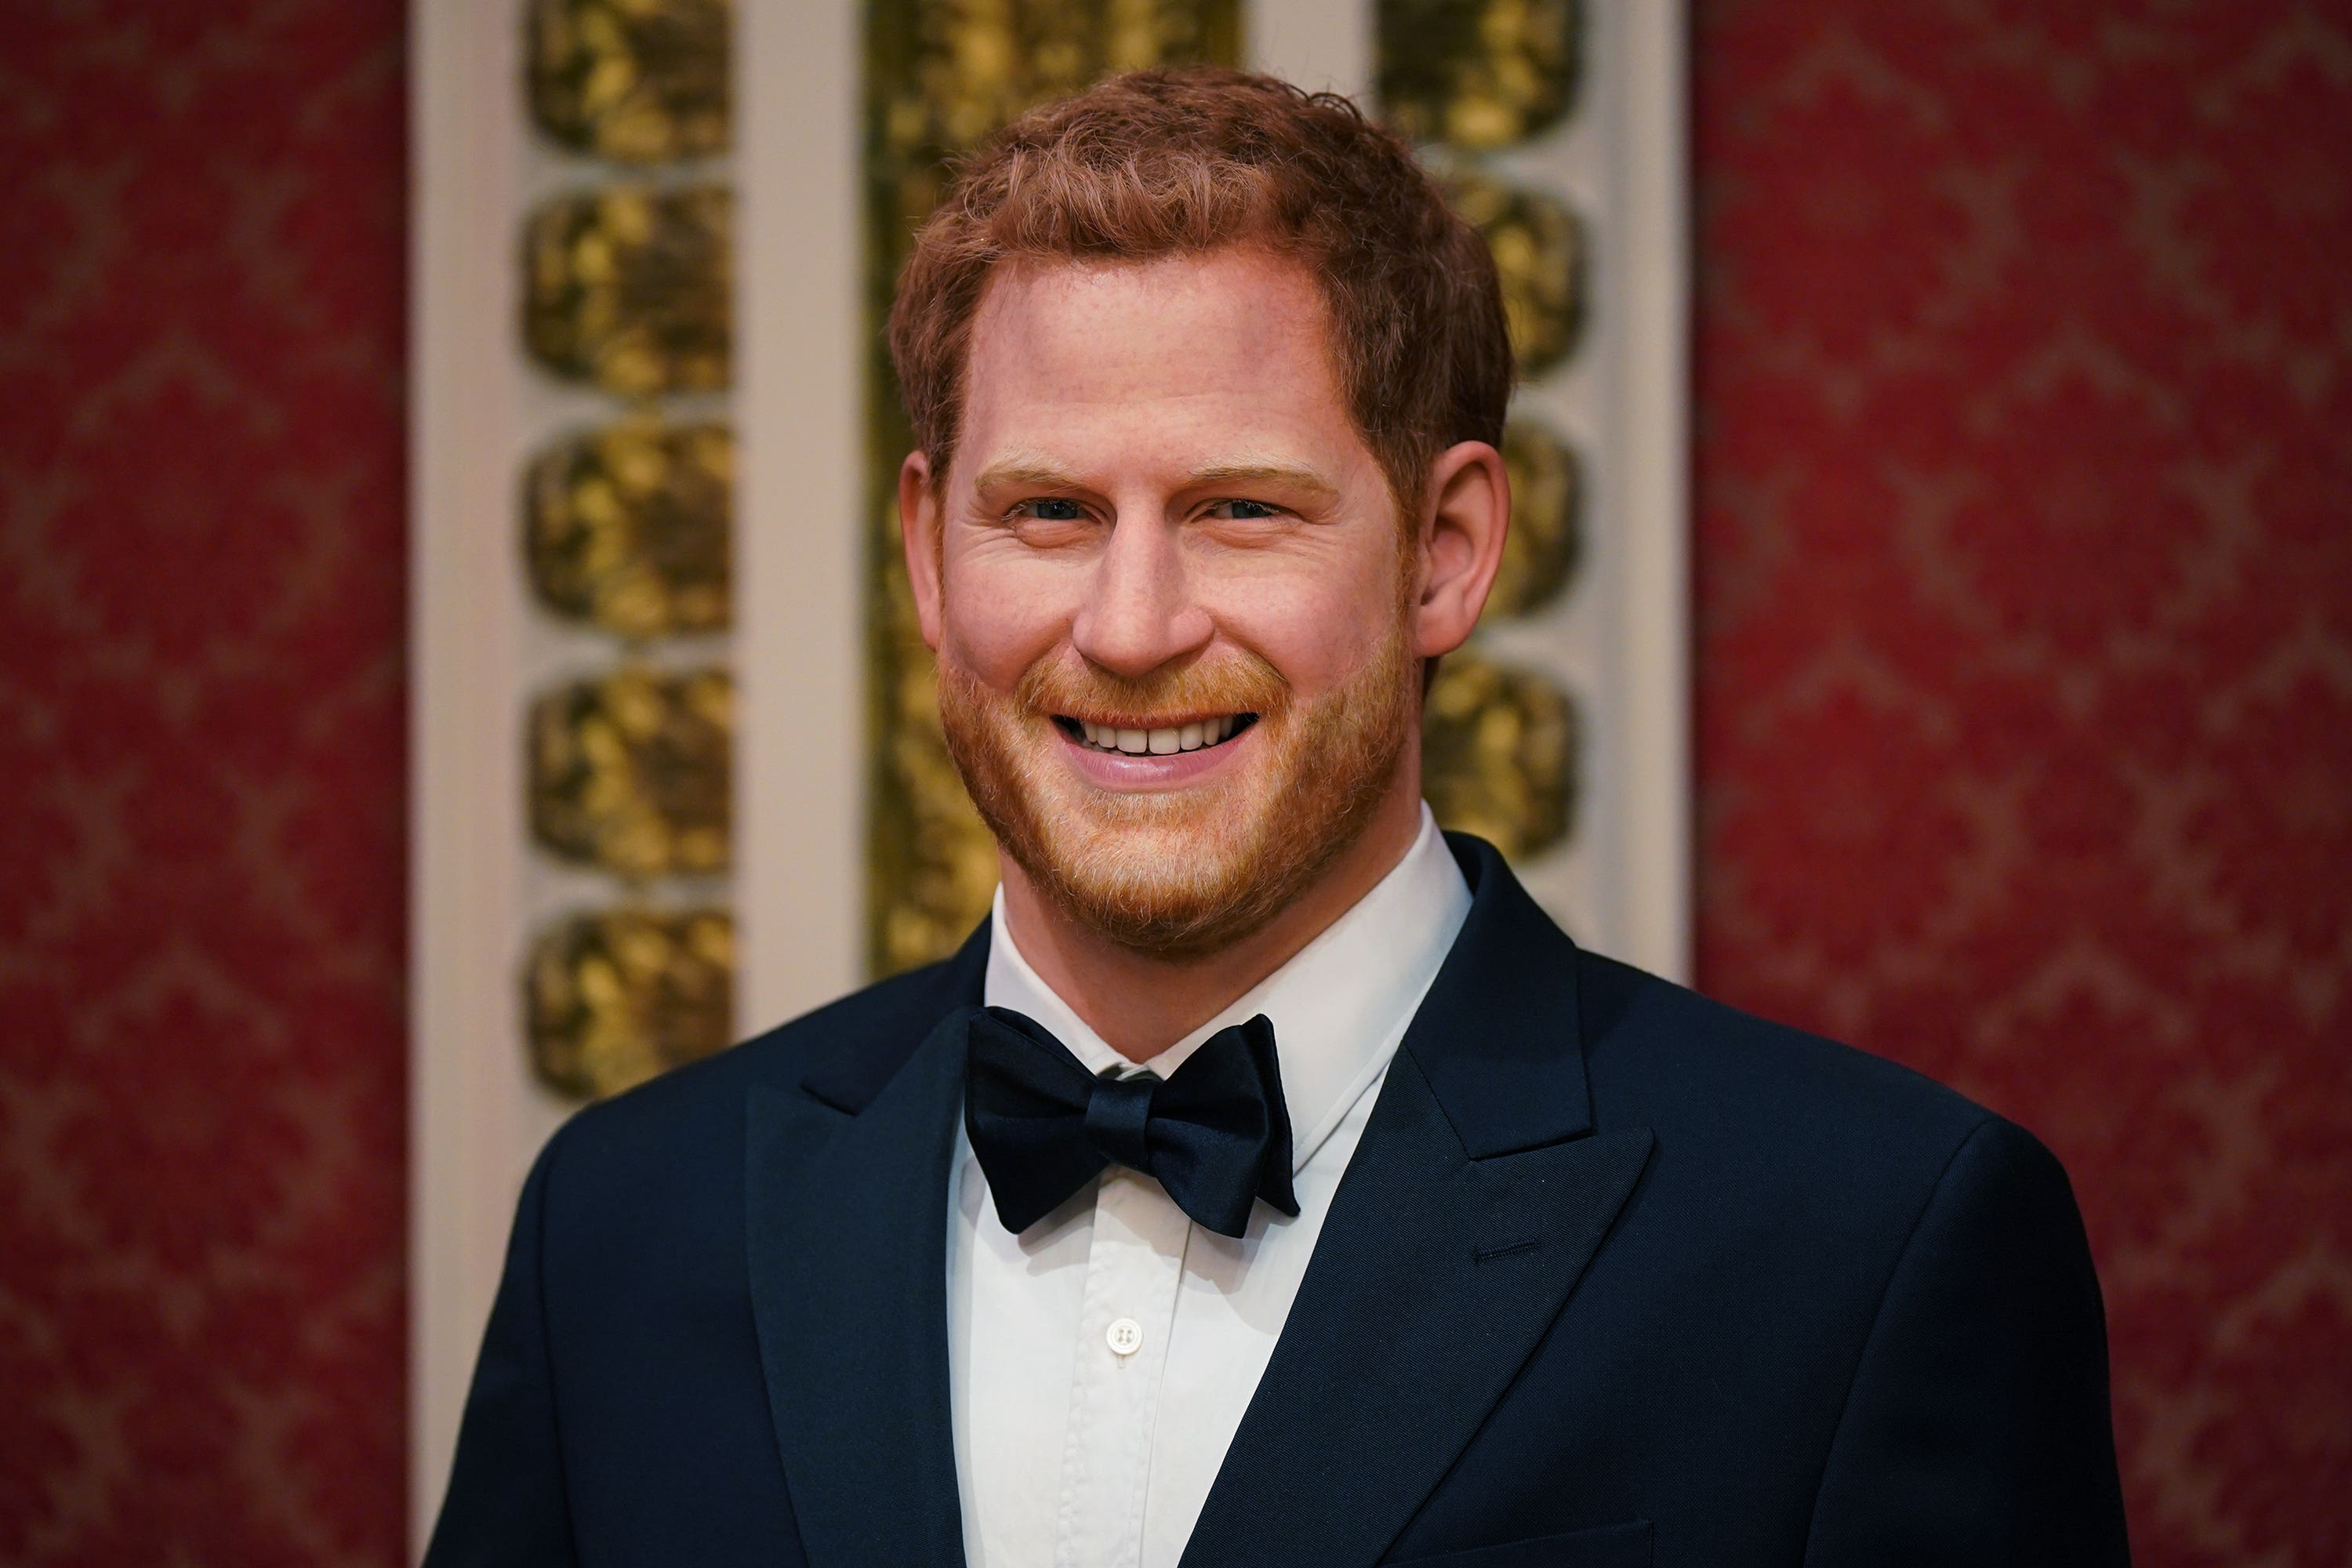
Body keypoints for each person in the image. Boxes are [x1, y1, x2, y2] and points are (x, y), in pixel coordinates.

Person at [424, 69, 2130, 1567]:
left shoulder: (1868, 1242)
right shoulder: (622, 1229)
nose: (1132, 623)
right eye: (1048, 510)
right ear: (927, 552)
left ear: (1449, 549)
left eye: (1241, 507)